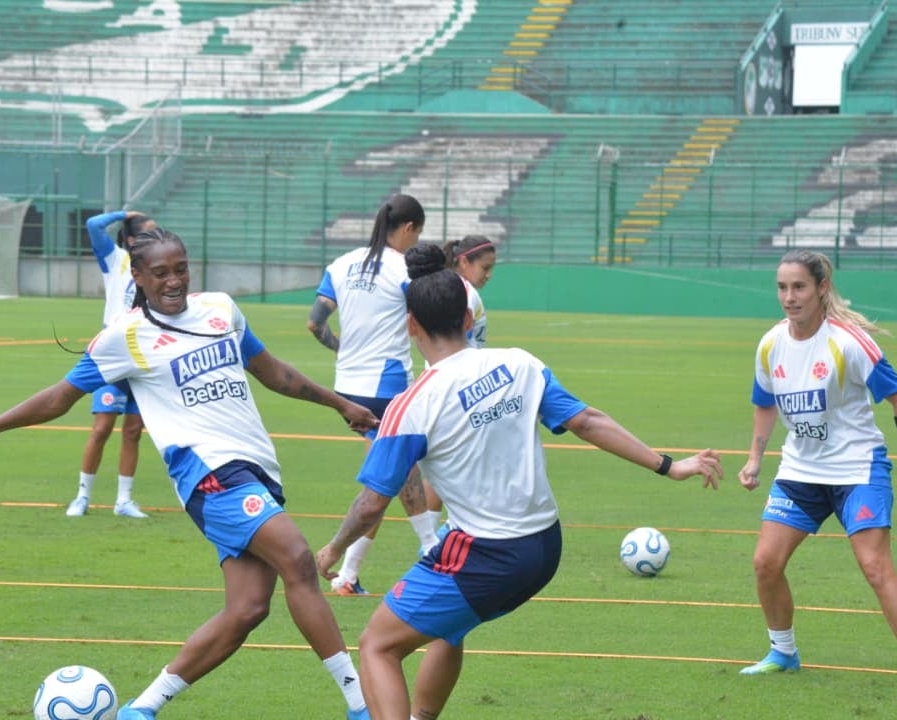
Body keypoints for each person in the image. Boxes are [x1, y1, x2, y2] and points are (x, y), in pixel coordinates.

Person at [0, 228, 377, 720]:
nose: (174, 280)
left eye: (181, 268)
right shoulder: (123, 337)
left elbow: (274, 372)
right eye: (161, 272)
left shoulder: (221, 309)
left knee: (247, 610)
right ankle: (362, 705)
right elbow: (58, 398)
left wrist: (341, 404)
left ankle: (141, 709)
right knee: (298, 559)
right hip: (208, 474)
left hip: (255, 467)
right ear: (139, 276)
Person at [315, 244, 722, 720]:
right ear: (469, 319)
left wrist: (332, 550)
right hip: (544, 547)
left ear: (410, 326)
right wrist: (670, 465)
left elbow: (371, 504)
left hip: (487, 555)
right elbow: (588, 421)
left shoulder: (412, 405)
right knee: (450, 625)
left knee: (377, 645)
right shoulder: (519, 364)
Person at [738, 249, 897, 695]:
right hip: (800, 471)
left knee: (874, 567)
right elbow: (764, 402)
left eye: (799, 287)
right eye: (781, 287)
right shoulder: (770, 343)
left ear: (821, 289)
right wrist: (756, 457)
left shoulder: (848, 342)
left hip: (857, 470)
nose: (789, 297)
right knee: (765, 563)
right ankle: (783, 652)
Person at [307, 194, 436, 594]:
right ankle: (433, 547)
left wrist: (343, 349)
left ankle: (349, 574)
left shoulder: (342, 264)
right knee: (408, 466)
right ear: (410, 228)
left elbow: (315, 323)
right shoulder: (404, 269)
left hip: (347, 389)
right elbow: (423, 320)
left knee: (387, 471)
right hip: (387, 384)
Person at [65, 209, 155, 520]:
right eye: (147, 232)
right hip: (113, 355)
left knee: (133, 432)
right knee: (102, 427)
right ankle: (82, 495)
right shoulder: (116, 259)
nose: (154, 238)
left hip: (144, 357)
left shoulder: (156, 266)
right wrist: (124, 213)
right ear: (131, 239)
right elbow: (92, 224)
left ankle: (124, 500)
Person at [416, 235, 500, 551]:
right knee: (456, 465)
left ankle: (436, 536)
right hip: (458, 390)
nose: (489, 274)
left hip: (451, 386)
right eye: (485, 267)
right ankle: (437, 537)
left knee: (442, 467)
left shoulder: (460, 291)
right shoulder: (462, 294)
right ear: (464, 261)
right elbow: (456, 350)